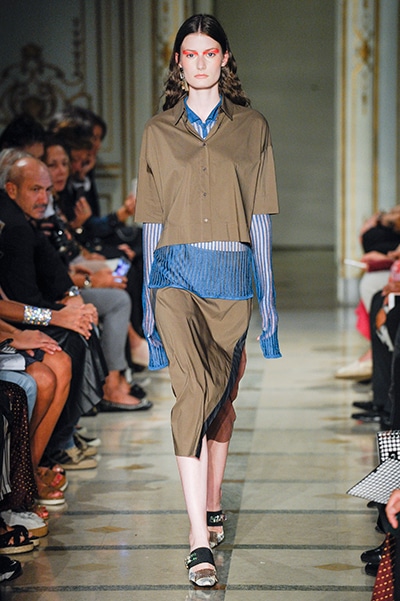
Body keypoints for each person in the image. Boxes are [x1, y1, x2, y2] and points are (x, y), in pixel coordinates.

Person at [135, 14, 280, 587]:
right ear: (178, 62)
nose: (199, 62)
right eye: (189, 53)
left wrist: (268, 298)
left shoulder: (253, 126)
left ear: (224, 59)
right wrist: (147, 297)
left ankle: (212, 499)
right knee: (191, 392)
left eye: (209, 52)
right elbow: (151, 222)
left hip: (231, 279)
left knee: (221, 398)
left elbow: (260, 219)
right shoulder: (157, 130)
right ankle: (198, 538)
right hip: (174, 275)